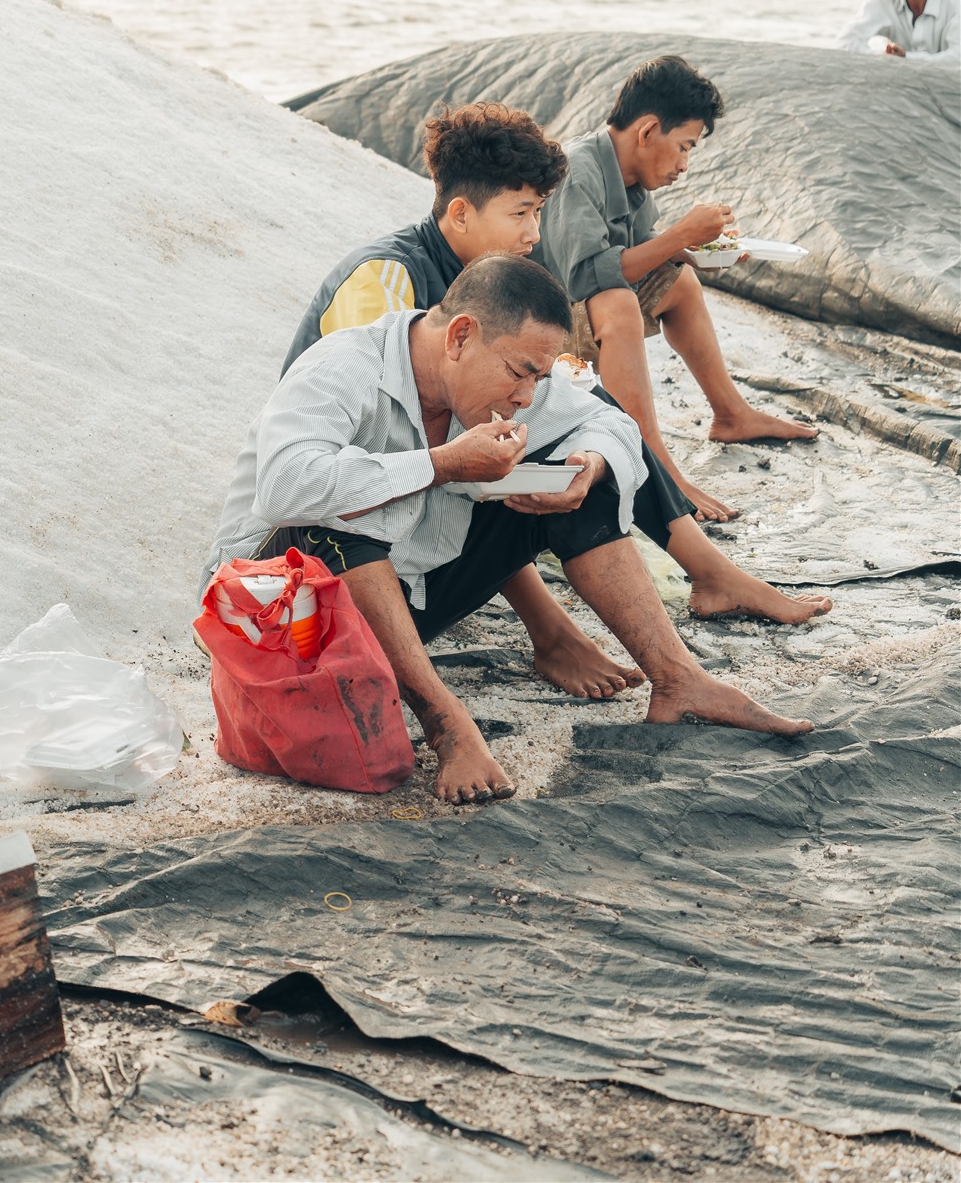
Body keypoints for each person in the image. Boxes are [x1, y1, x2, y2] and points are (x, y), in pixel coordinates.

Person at [208, 254, 811, 805]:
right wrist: (442, 464)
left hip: (403, 603)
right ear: (462, 336)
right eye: (520, 373)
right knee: (338, 524)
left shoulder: (521, 385)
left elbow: (614, 426)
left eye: (538, 380)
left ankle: (678, 679)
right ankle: (448, 727)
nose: (526, 396)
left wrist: (588, 467)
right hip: (281, 614)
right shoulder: (344, 367)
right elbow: (284, 485)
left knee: (578, 490)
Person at [284, 104, 828, 700]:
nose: (534, 233)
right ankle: (559, 630)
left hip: (425, 499)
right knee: (537, 445)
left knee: (584, 431)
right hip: (354, 543)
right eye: (520, 213)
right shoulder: (387, 284)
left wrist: (576, 444)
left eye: (538, 212)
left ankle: (697, 597)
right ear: (460, 214)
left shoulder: (490, 276)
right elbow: (386, 448)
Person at [533, 56, 815, 525]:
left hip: (582, 308)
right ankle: (653, 464)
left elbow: (641, 250)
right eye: (684, 147)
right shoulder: (579, 170)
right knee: (619, 302)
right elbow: (585, 277)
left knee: (679, 281)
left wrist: (699, 250)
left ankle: (731, 414)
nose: (684, 165)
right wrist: (679, 236)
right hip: (547, 327)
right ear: (647, 131)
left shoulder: (629, 177)